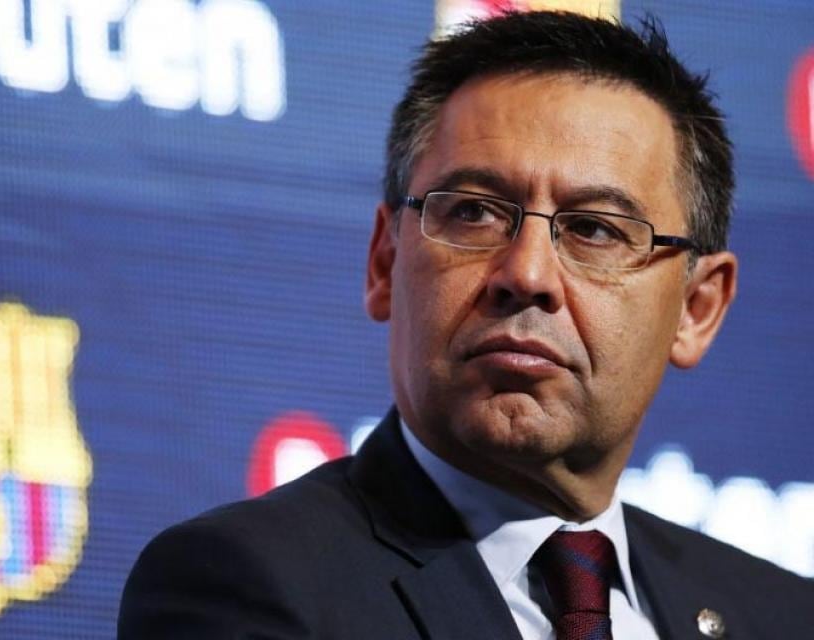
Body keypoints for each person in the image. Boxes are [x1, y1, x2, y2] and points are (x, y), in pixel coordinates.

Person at [118, 11, 814, 639]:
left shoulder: (784, 616)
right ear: (385, 262)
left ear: (697, 308)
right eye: (474, 212)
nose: (528, 274)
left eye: (595, 229)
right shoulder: (245, 585)